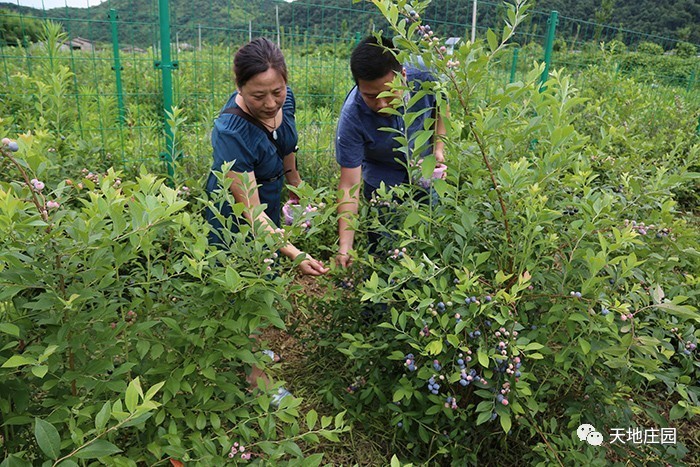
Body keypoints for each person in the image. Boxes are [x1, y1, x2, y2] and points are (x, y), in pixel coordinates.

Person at [205, 37, 328, 277]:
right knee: (237, 273)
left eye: (277, 91)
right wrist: (296, 253)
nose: (271, 103)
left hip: (268, 198)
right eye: (258, 96)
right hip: (235, 212)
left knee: (268, 267)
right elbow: (251, 211)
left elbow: (286, 146)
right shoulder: (231, 133)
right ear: (239, 87)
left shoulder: (287, 99)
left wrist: (296, 186)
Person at [335, 35, 446, 267]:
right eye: (371, 96)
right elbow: (349, 186)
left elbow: (441, 106)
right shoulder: (352, 117)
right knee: (384, 246)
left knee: (432, 239)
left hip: (424, 171)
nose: (382, 104)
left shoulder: (426, 77)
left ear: (403, 75)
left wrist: (438, 148)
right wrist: (345, 247)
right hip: (382, 180)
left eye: (388, 93)